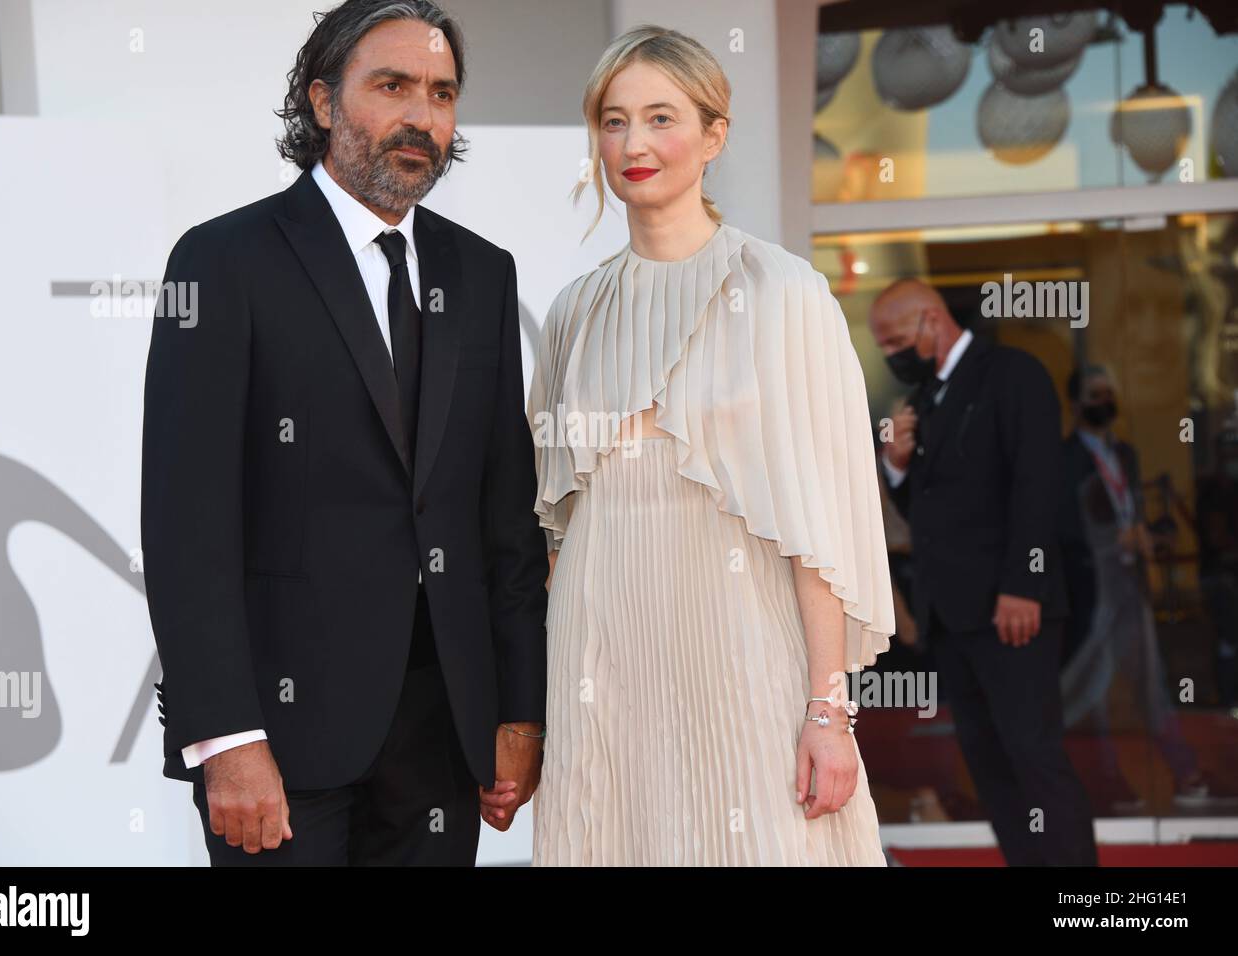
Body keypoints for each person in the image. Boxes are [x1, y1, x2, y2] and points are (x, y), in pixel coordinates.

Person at [141, 0, 547, 865]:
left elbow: (503, 516)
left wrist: (518, 707)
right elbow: (185, 526)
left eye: (442, 94)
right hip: (281, 742)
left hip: (443, 738)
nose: (421, 116)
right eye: (392, 86)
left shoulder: (482, 273)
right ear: (323, 103)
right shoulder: (222, 263)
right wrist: (226, 738)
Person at [527, 26, 895, 866]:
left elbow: (823, 531)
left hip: (743, 649)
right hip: (601, 654)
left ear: (714, 133)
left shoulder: (783, 294)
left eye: (662, 118)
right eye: (614, 121)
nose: (635, 143)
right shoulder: (573, 313)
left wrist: (827, 713)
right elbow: (550, 533)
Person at [869, 277, 1097, 866]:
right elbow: (928, 511)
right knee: (989, 764)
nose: (891, 355)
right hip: (953, 616)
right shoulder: (922, 402)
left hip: (1012, 609)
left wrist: (1024, 585)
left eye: (894, 340)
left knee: (1035, 755)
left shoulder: (1012, 373)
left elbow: (1037, 485)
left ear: (931, 321)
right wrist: (895, 465)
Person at [1059, 365, 1216, 812]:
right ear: (1075, 403)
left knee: (1149, 685)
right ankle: (1107, 781)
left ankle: (1180, 771)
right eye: (1095, 393)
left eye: (1110, 391)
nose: (1105, 399)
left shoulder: (1124, 453)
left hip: (1130, 587)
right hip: (1092, 592)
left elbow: (1130, 510)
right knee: (1093, 692)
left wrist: (1145, 535)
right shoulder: (1064, 458)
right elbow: (1062, 528)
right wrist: (1115, 540)